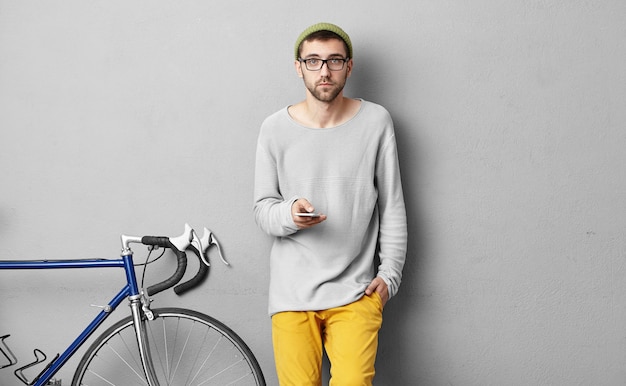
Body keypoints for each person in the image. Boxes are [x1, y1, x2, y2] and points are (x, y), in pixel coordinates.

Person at [253, 22, 407, 386]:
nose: (324, 71)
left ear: (349, 66)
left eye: (334, 60)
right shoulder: (274, 128)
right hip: (291, 297)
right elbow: (262, 209)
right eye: (314, 61)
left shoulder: (376, 122)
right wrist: (289, 214)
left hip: (356, 294)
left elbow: (393, 206)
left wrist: (390, 277)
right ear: (298, 66)